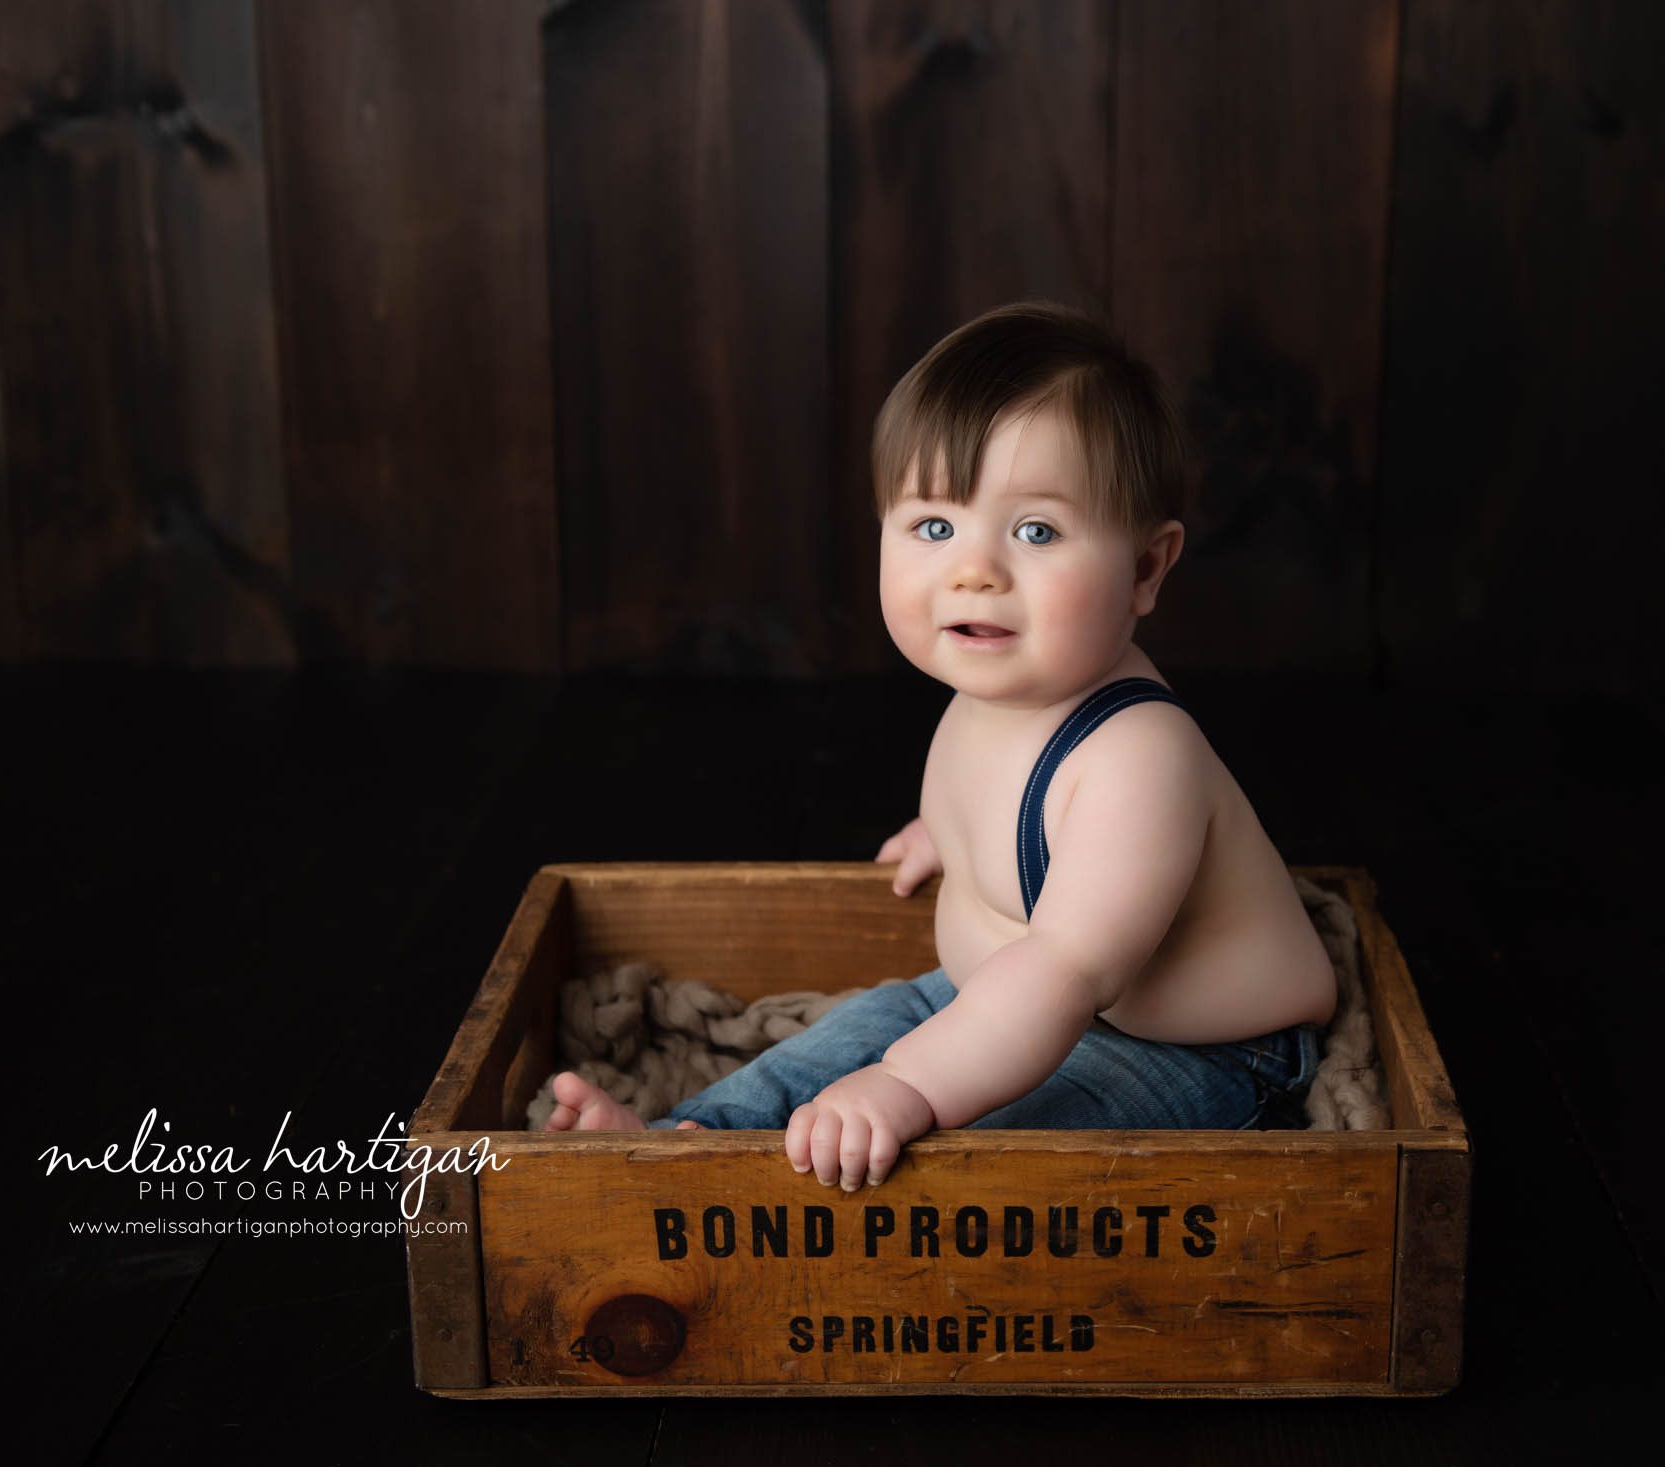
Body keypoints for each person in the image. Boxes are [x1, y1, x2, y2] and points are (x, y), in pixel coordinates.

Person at [546, 301, 1338, 1191]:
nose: (975, 569)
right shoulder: (991, 684)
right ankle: (685, 1140)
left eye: (1035, 531)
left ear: (1146, 570)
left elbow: (1067, 967)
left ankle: (791, 1170)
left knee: (979, 1139)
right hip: (993, 1004)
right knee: (849, 1036)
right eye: (933, 526)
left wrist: (907, 1084)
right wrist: (948, 838)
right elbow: (1001, 816)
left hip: (1194, 1052)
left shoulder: (1138, 756)